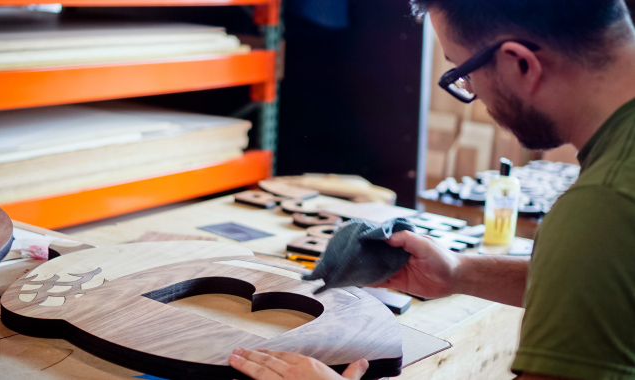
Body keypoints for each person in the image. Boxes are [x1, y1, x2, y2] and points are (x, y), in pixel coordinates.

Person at [229, 0, 635, 379]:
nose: (472, 95)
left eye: (462, 73)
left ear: (520, 64)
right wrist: (461, 273)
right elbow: (605, 281)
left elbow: (596, 248)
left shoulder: (603, 206)